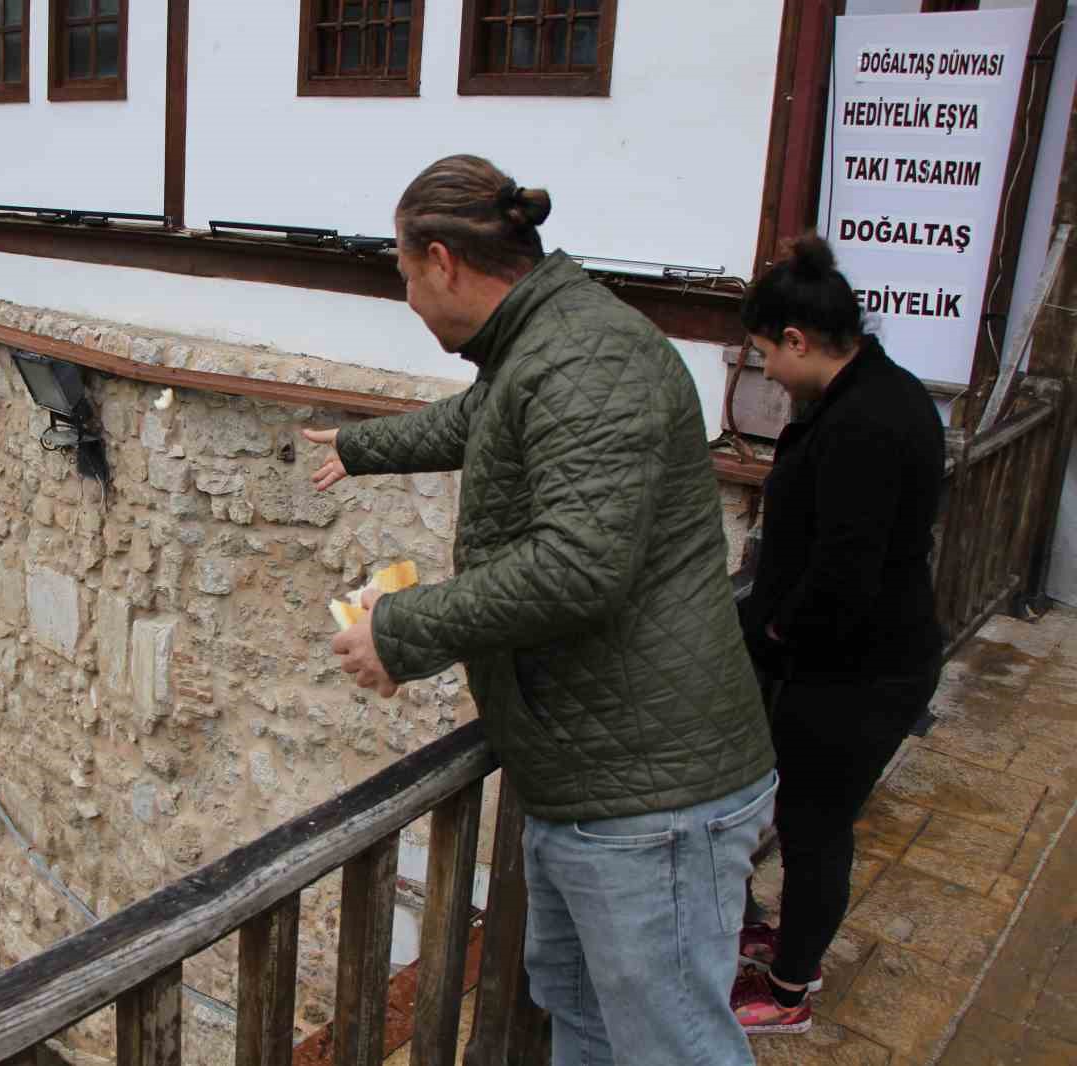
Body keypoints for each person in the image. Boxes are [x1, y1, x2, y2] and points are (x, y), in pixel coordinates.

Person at [303, 154, 776, 1066]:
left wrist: (401, 633)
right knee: (587, 1020)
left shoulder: (587, 355)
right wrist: (362, 448)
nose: (406, 297)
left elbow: (577, 566)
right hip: (600, 781)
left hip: (654, 798)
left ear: (441, 260)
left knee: (672, 1047)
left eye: (403, 275)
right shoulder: (545, 340)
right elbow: (482, 421)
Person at [730, 236, 945, 1035]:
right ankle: (787, 948)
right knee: (809, 819)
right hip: (855, 663)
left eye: (763, 354)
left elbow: (845, 572)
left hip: (856, 672)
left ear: (796, 339)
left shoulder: (865, 423)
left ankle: (788, 992)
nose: (766, 372)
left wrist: (778, 633)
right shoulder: (882, 393)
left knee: (816, 829)